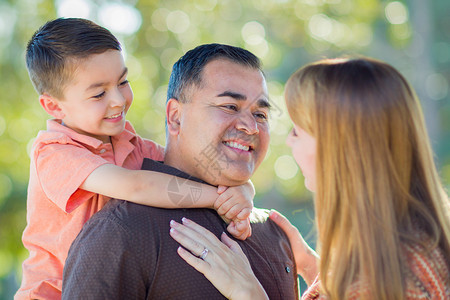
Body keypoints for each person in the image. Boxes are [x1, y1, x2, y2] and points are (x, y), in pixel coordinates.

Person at [170, 57, 450, 299]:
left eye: (297, 131)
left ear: (338, 146)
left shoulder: (392, 275)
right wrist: (316, 270)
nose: (289, 143)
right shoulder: (406, 247)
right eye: (229, 107)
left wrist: (249, 292)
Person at [17, 19, 254, 300]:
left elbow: (191, 172)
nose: (118, 99)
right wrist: (217, 197)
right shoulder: (54, 152)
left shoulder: (131, 145)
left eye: (123, 82)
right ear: (54, 105)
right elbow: (137, 186)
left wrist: (241, 191)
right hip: (54, 294)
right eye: (99, 93)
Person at [61, 43, 300, 299]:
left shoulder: (275, 233)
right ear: (175, 117)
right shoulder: (121, 232)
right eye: (230, 106)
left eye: (261, 114)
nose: (251, 127)